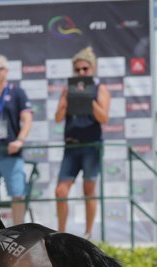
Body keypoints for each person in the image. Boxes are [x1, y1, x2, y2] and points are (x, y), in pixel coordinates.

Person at [54, 46, 110, 239]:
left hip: (91, 146)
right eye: (77, 69)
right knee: (60, 192)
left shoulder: (100, 89)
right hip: (71, 146)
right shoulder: (67, 89)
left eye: (85, 69)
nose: (81, 72)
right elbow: (58, 118)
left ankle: (88, 234)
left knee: (89, 191)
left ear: (92, 69)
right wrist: (67, 99)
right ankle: (61, 234)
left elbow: (103, 118)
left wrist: (87, 97)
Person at [0, 54, 33, 226]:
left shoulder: (17, 92)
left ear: (6, 71)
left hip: (12, 152)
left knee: (17, 194)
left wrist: (20, 140)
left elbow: (27, 119)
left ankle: (19, 230)